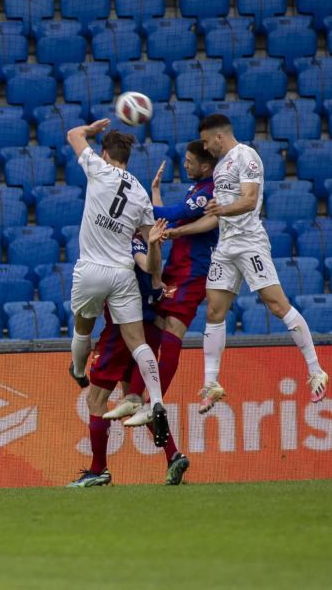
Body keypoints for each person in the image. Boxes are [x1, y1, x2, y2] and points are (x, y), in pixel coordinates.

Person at [192, 114, 328, 412]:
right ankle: (212, 383)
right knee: (214, 310)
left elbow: (250, 200)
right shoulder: (218, 170)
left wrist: (223, 209)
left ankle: (316, 370)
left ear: (218, 136)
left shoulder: (247, 156)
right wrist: (181, 230)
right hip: (226, 245)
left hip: (249, 242)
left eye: (205, 140)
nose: (205, 147)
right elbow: (219, 212)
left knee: (277, 305)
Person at [65, 119, 170, 447]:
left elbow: (73, 135)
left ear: (107, 153)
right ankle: (156, 402)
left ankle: (79, 372)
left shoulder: (98, 168)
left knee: (83, 329)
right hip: (124, 274)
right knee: (138, 343)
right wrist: (153, 249)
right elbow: (153, 261)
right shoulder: (139, 193)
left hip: (92, 269)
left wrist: (91, 130)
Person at [103, 141, 219, 422]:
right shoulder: (197, 188)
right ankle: (135, 397)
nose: (186, 165)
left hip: (193, 271)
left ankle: (154, 405)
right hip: (176, 268)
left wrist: (139, 204)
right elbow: (172, 222)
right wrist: (154, 192)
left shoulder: (209, 191)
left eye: (190, 161)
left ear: (205, 166)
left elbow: (176, 215)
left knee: (173, 331)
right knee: (156, 325)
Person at [69, 225, 191, 487]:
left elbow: (145, 266)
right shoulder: (147, 243)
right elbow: (155, 279)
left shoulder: (129, 243)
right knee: (133, 400)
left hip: (122, 331)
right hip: (148, 330)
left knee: (96, 399)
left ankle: (98, 469)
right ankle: (174, 455)